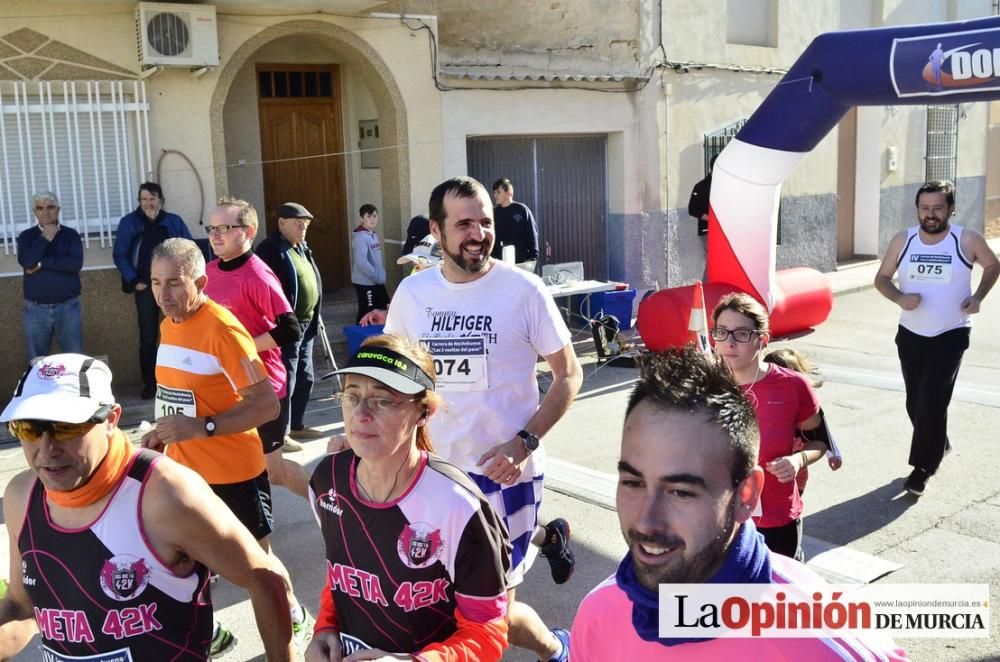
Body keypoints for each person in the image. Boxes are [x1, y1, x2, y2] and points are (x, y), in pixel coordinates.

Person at [570, 346, 908, 660]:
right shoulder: (599, 613)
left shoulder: (824, 643)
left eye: (681, 492)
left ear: (746, 496)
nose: (645, 522)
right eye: (632, 482)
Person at [385, 176, 583, 662]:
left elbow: (569, 375)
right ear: (436, 230)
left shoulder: (523, 290)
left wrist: (524, 443)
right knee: (436, 605)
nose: (478, 234)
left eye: (485, 222)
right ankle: (558, 644)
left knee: (489, 616)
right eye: (464, 224)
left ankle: (558, 649)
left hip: (503, 476)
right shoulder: (413, 295)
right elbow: (392, 378)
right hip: (428, 475)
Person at [0, 353, 294, 661]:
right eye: (29, 428)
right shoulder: (23, 495)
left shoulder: (166, 494)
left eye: (67, 427)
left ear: (111, 419)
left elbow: (265, 578)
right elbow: (22, 606)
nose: (47, 448)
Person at [142, 238, 312, 655]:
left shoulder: (223, 329)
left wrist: (202, 427)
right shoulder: (169, 323)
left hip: (234, 473)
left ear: (200, 281)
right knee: (182, 560)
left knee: (258, 565)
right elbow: (179, 390)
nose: (165, 295)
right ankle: (211, 632)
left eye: (176, 283)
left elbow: (266, 405)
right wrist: (162, 432)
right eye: (156, 282)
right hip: (184, 473)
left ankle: (294, 615)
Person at [306, 336, 511, 660]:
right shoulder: (327, 479)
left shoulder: (459, 506)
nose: (360, 413)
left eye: (383, 400)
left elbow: (486, 632)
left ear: (423, 412)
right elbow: (341, 571)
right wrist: (325, 627)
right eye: (352, 396)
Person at [874, 180, 999, 496]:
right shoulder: (904, 240)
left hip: (951, 332)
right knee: (915, 402)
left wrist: (978, 297)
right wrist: (900, 298)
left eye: (937, 208)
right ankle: (938, 443)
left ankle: (922, 469)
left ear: (951, 209)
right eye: (924, 208)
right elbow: (882, 279)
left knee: (932, 401)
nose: (930, 214)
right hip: (911, 333)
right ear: (918, 209)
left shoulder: (966, 239)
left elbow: (993, 265)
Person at [203, 197, 311, 497]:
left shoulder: (258, 275)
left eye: (224, 227)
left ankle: (329, 506)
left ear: (248, 232)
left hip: (264, 389)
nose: (215, 234)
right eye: (211, 227)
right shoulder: (208, 272)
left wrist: (240, 348)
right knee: (230, 467)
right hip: (225, 387)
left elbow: (290, 328)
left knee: (272, 471)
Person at [712, 292, 825, 561]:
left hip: (776, 519)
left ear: (762, 339)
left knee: (775, 597)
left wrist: (798, 461)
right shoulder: (704, 386)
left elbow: (819, 442)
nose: (729, 343)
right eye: (722, 332)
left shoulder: (793, 385)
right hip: (718, 518)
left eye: (741, 334)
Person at [113, 182, 193, 399]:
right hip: (146, 288)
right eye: (144, 199)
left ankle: (181, 381)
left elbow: (189, 249)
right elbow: (119, 254)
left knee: (180, 332)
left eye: (152, 199)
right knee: (148, 336)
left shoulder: (173, 221)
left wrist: (185, 280)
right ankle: (151, 384)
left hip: (175, 288)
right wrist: (134, 280)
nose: (148, 203)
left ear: (161, 200)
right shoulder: (130, 223)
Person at [256, 202, 326, 444]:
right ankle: (281, 433)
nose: (303, 228)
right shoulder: (270, 250)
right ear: (281, 222)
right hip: (287, 326)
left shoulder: (301, 247)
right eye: (298, 223)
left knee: (306, 376)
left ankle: (297, 425)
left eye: (306, 224)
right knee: (288, 377)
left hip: (307, 322)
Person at [17, 191, 84, 361]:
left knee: (74, 360)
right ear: (34, 212)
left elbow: (74, 264)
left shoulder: (71, 235)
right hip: (35, 310)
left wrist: (42, 264)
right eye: (40, 208)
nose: (45, 212)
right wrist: (46, 237)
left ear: (58, 210)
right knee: (37, 363)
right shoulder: (27, 237)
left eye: (50, 207)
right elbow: (27, 262)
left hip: (68, 308)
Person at [763, 348, 844, 487]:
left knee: (792, 499)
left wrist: (834, 454)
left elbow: (822, 432)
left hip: (795, 471)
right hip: (766, 470)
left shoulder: (807, 404)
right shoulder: (761, 399)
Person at [355, 233, 444, 327]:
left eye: (425, 266)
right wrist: (387, 316)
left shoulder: (455, 295)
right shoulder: (411, 286)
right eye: (416, 266)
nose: (418, 273)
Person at [490, 178, 539, 272]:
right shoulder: (494, 213)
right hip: (501, 265)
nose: (495, 195)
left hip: (521, 263)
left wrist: (532, 258)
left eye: (498, 192)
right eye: (494, 192)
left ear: (508, 192)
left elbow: (532, 233)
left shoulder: (521, 210)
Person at [351, 203, 389, 323]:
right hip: (366, 283)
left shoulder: (372, 234)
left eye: (374, 216)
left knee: (385, 307)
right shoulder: (361, 237)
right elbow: (362, 262)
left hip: (376, 281)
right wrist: (376, 276)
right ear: (362, 218)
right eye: (368, 216)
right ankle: (359, 338)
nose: (372, 219)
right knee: (366, 312)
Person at [687, 154, 717, 238]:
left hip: (727, 233)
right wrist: (711, 220)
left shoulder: (728, 185)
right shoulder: (700, 186)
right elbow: (692, 209)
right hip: (707, 231)